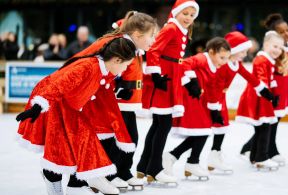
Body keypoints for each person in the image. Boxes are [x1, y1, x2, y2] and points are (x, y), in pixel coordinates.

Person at [16, 37, 136, 195]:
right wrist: (38, 106)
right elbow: (59, 84)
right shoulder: (88, 66)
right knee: (58, 147)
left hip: (69, 106)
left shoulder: (104, 70)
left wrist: (121, 88)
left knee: (82, 141)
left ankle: (84, 179)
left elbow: (99, 89)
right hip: (52, 102)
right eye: (126, 65)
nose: (125, 69)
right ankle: (52, 178)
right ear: (117, 59)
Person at [73, 11, 157, 191]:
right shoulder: (122, 45)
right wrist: (118, 86)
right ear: (137, 34)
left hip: (121, 100)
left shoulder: (134, 47)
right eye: (151, 36)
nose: (154, 40)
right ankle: (104, 174)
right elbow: (102, 67)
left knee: (124, 138)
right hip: (111, 101)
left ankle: (117, 172)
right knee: (118, 138)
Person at [137, 0, 201, 185]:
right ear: (176, 12)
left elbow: (176, 61)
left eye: (191, 15)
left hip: (170, 78)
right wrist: (156, 74)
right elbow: (154, 51)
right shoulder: (172, 28)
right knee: (162, 125)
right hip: (164, 80)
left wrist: (186, 82)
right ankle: (155, 168)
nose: (188, 17)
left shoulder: (180, 30)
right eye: (185, 13)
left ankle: (144, 167)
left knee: (158, 125)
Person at [205, 31, 274, 174]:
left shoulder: (236, 63)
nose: (245, 54)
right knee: (207, 128)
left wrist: (262, 89)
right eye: (242, 51)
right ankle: (204, 156)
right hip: (212, 98)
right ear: (233, 50)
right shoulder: (224, 64)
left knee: (221, 127)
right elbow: (214, 83)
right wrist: (214, 105)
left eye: (246, 51)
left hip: (220, 98)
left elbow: (249, 76)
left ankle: (214, 155)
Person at [162, 37, 231, 180]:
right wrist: (191, 81)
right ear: (211, 52)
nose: (224, 62)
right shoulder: (202, 58)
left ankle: (179, 157)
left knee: (203, 132)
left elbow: (212, 89)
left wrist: (214, 109)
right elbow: (184, 64)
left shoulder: (214, 67)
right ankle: (186, 160)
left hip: (199, 101)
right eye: (222, 57)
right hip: (190, 99)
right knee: (203, 131)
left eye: (226, 58)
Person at [240, 13, 288, 166]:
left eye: (287, 30)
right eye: (282, 32)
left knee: (273, 122)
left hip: (281, 89)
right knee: (266, 123)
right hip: (269, 90)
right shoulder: (268, 52)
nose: (286, 34)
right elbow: (263, 75)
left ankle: (260, 151)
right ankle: (264, 151)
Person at [236, 31, 287, 170]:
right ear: (265, 45)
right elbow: (261, 80)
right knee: (265, 128)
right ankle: (261, 157)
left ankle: (254, 157)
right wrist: (269, 95)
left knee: (261, 128)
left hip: (263, 97)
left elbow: (270, 81)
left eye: (280, 48)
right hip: (259, 97)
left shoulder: (269, 60)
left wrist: (273, 94)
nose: (277, 50)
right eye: (275, 46)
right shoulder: (261, 60)